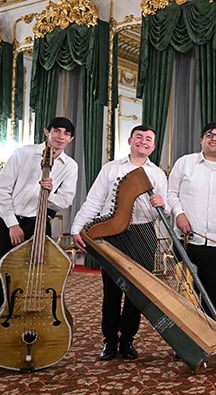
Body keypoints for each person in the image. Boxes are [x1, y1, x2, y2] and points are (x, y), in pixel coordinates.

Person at [0, 117, 78, 372]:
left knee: (37, 283)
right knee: (3, 285)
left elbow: (65, 200)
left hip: (39, 224)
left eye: (66, 133)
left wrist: (51, 192)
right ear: (47, 132)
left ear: (71, 139)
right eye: (56, 130)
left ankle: (34, 339)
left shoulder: (70, 165)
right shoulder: (24, 154)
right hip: (8, 223)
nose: (60, 136)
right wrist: (12, 224)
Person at [71, 125, 167, 362]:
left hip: (143, 234)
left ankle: (128, 340)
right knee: (111, 292)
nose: (143, 142)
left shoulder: (157, 174)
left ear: (153, 147)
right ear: (130, 141)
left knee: (137, 294)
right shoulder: (111, 169)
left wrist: (161, 203)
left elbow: (162, 211)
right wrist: (77, 228)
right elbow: (94, 201)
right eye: (139, 137)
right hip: (113, 235)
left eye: (148, 139)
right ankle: (109, 341)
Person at [167, 122, 216, 317]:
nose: (214, 139)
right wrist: (179, 214)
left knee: (212, 295)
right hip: (186, 241)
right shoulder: (184, 163)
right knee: (185, 294)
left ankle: (211, 338)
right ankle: (186, 340)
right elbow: (171, 192)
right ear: (201, 139)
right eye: (209, 135)